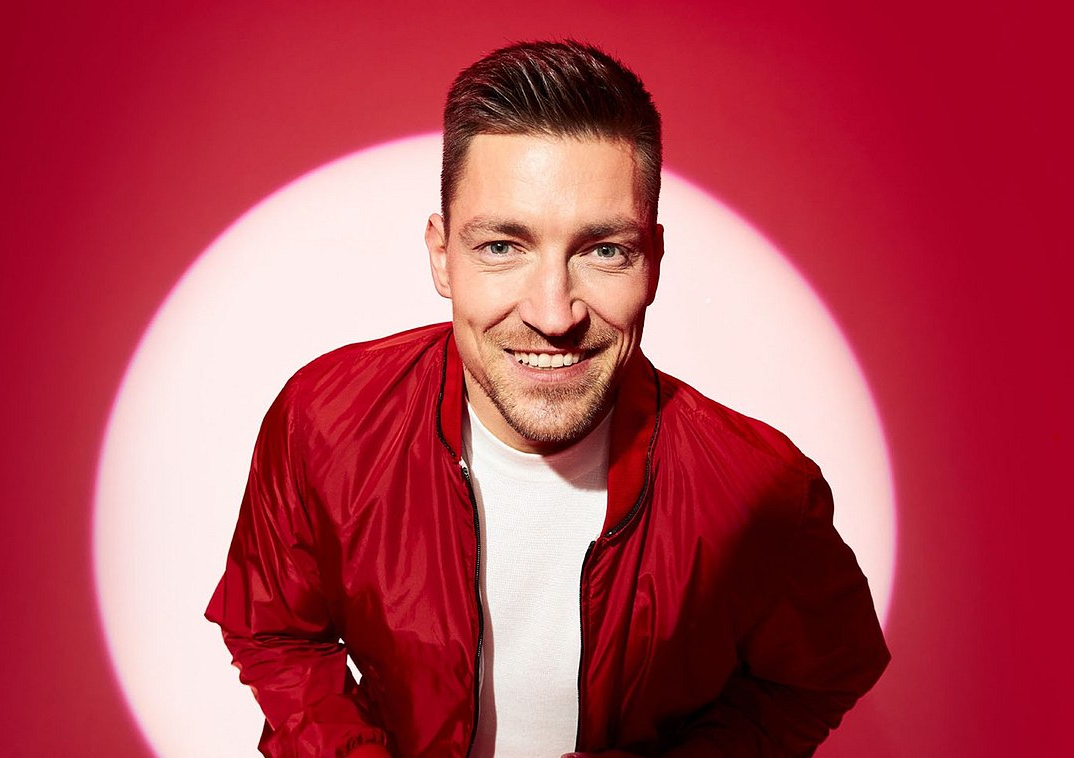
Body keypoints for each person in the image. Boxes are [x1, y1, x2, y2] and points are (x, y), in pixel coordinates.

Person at [205, 40, 889, 757]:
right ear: (442, 256)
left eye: (604, 251)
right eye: (502, 247)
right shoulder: (326, 420)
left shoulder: (761, 492)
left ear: (653, 262)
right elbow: (274, 630)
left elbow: (819, 674)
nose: (553, 313)